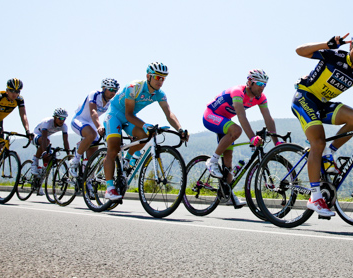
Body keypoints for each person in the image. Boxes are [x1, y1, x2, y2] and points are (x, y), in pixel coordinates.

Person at [292, 29, 353, 216]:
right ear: (351, 45)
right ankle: (315, 196)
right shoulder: (334, 55)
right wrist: (326, 45)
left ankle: (330, 151)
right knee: (318, 142)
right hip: (304, 98)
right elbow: (299, 51)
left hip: (322, 105)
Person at [102, 62, 188, 201]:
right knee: (113, 149)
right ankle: (109, 188)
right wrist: (145, 124)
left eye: (163, 78)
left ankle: (126, 161)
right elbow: (129, 114)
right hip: (116, 116)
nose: (160, 81)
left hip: (128, 119)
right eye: (157, 77)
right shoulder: (133, 87)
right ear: (148, 76)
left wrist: (180, 129)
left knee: (146, 134)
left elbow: (169, 114)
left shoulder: (159, 94)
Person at [203, 70, 278, 208]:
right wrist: (252, 138)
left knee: (228, 159)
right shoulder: (238, 92)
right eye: (259, 83)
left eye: (265, 85)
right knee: (236, 130)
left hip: (224, 120)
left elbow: (268, 118)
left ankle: (228, 194)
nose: (262, 87)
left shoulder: (261, 97)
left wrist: (277, 142)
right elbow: (241, 116)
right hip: (211, 116)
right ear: (249, 82)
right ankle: (212, 161)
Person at [68, 78, 119, 178]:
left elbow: (113, 116)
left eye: (115, 90)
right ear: (104, 88)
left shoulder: (111, 102)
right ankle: (75, 160)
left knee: (93, 152)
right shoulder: (95, 94)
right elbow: (93, 112)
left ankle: (86, 176)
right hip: (79, 120)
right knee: (92, 134)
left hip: (91, 124)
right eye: (111, 89)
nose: (113, 92)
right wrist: (99, 126)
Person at [30, 108, 70, 184]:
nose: (62, 120)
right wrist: (45, 151)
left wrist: (68, 154)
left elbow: (65, 141)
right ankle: (35, 161)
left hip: (46, 137)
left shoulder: (64, 126)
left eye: (64, 118)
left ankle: (39, 182)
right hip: (37, 135)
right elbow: (44, 138)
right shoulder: (47, 122)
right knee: (46, 143)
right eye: (60, 118)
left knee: (48, 161)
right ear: (55, 117)